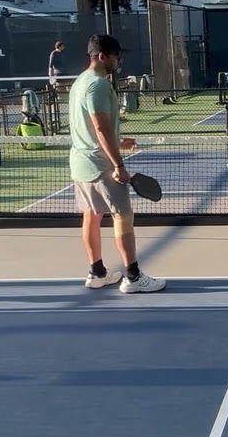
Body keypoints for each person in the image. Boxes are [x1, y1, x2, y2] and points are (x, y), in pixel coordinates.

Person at [70, 33, 165, 294]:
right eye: (115, 55)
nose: (118, 60)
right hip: (100, 165)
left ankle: (97, 273)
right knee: (122, 215)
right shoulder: (98, 85)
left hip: (80, 162)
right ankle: (133, 278)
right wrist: (119, 165)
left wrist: (118, 141)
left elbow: (92, 128)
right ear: (102, 56)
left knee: (91, 215)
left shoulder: (79, 82)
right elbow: (100, 127)